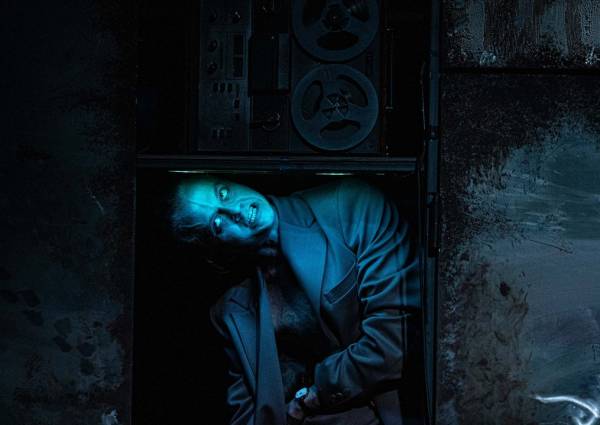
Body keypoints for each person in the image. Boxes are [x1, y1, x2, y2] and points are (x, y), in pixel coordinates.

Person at [170, 176, 420, 425]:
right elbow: (246, 414)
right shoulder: (229, 312)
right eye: (217, 223)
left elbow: (393, 342)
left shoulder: (350, 205)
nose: (234, 210)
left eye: (223, 193)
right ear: (215, 252)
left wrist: (309, 400)